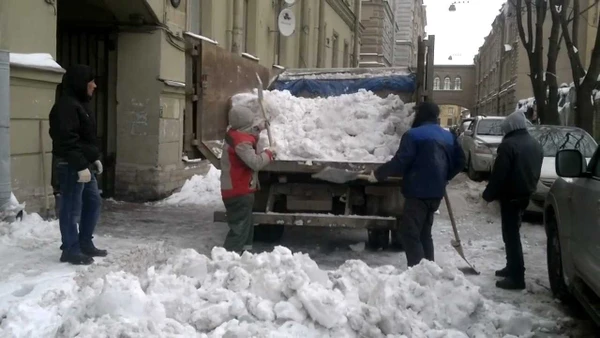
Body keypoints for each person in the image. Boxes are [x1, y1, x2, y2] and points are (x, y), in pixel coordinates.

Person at [369, 102, 465, 267]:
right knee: (424, 233)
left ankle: (418, 272)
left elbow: (401, 161)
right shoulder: (449, 136)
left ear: (420, 115)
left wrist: (378, 174)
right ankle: (429, 270)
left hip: (418, 192)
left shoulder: (413, 135)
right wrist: (445, 176)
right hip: (436, 192)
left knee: (409, 233)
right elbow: (461, 162)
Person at [49, 64, 105, 265]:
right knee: (72, 208)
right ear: (82, 83)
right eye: (91, 82)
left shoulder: (80, 105)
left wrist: (93, 158)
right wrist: (81, 165)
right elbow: (66, 140)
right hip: (71, 165)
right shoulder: (66, 107)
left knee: (93, 202)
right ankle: (70, 249)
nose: (95, 86)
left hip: (83, 164)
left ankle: (84, 242)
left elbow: (85, 139)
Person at [482, 111, 543, 290]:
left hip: (511, 196)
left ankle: (517, 278)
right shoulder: (534, 143)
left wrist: (488, 195)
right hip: (525, 194)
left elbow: (499, 174)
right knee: (511, 233)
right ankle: (511, 267)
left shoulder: (508, 145)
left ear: (510, 127)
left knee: (511, 236)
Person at [220, 103, 275, 254]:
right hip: (238, 191)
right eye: (250, 123)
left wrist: (259, 127)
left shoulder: (234, 133)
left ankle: (245, 256)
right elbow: (255, 162)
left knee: (246, 227)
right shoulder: (241, 144)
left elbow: (247, 133)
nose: (253, 125)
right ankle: (227, 258)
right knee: (239, 229)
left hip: (239, 190)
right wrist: (270, 153)